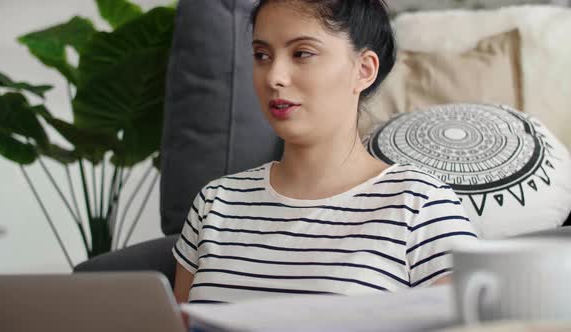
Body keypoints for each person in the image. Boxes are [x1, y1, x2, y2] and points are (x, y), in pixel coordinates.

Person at [172, 0, 477, 304]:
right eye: (261, 55)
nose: (274, 76)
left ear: (364, 70)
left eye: (302, 53)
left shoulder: (420, 205)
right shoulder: (215, 203)